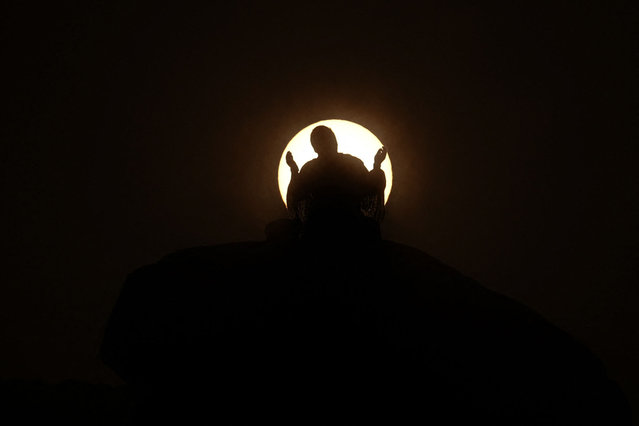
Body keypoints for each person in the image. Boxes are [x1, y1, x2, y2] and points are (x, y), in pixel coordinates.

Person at [286, 125, 387, 226]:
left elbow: (296, 192)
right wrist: (377, 166)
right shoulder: (352, 163)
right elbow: (370, 185)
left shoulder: (310, 168)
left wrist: (294, 170)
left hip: (327, 222)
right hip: (339, 221)